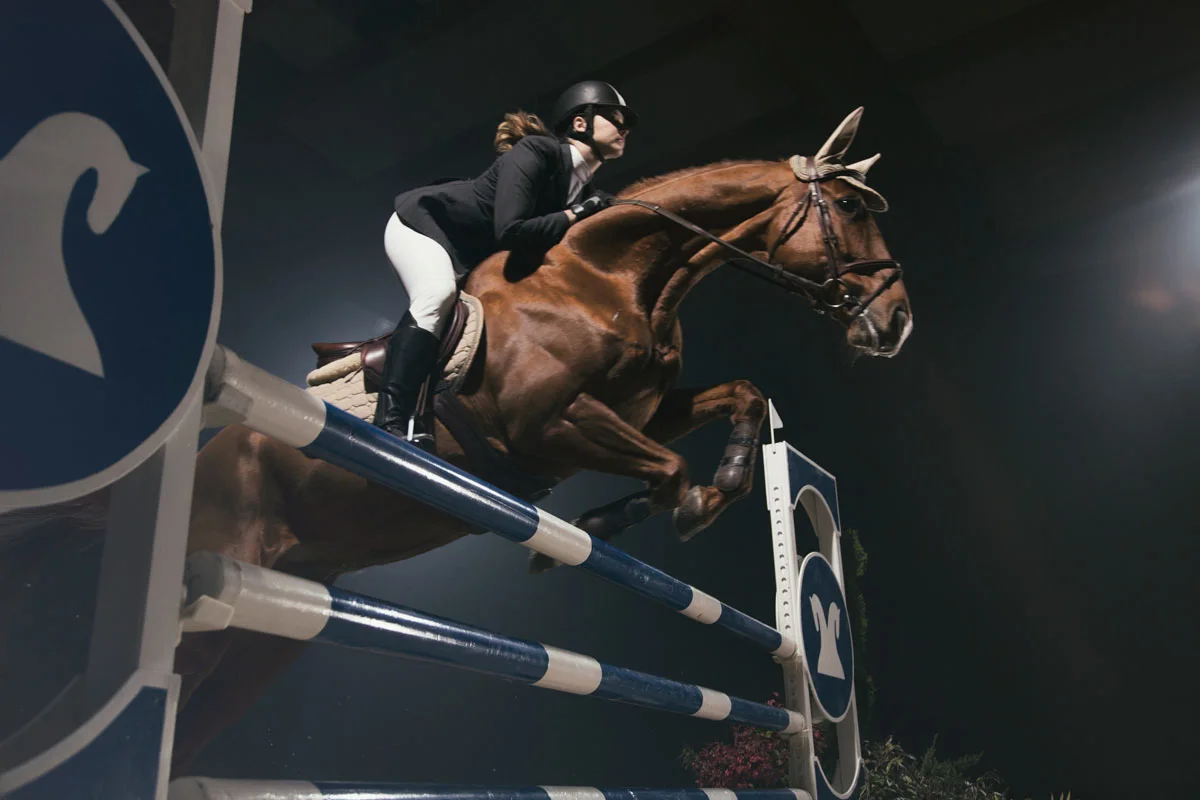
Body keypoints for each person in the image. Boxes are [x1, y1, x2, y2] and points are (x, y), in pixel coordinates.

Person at [375, 80, 638, 450]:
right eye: (615, 117)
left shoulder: (585, 191)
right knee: (437, 294)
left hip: (470, 255)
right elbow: (512, 231)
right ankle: (388, 419)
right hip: (426, 226)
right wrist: (577, 213)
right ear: (581, 123)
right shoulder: (537, 151)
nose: (624, 128)